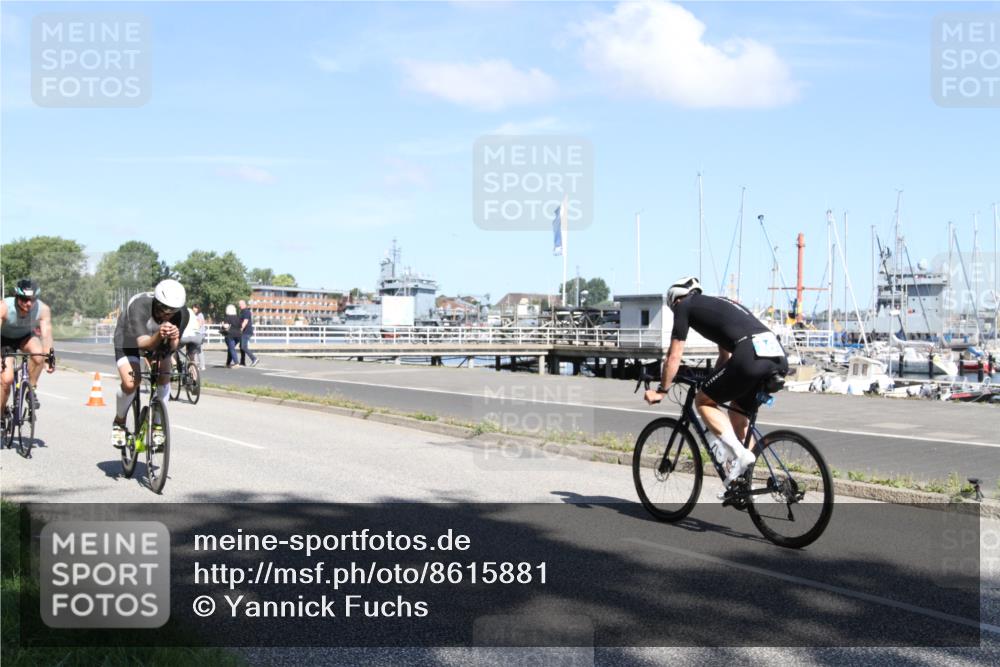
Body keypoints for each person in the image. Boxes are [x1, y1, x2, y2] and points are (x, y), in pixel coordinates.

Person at [644, 277, 788, 488]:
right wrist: (711, 379)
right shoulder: (718, 304)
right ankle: (752, 481)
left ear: (675, 299)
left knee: (703, 401)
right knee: (737, 414)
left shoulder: (684, 306)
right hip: (776, 354)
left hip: (750, 355)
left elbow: (674, 356)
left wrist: (662, 390)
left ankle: (740, 455)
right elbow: (725, 358)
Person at [110, 279, 189, 449]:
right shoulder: (139, 305)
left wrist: (174, 338)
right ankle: (119, 421)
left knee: (164, 375)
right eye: (162, 308)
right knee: (132, 382)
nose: (166, 315)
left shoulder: (183, 314)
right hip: (129, 340)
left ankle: (158, 425)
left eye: (172, 311)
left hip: (158, 338)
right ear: (156, 301)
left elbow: (173, 348)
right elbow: (143, 344)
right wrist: (160, 334)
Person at [1, 279, 55, 414]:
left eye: (32, 299)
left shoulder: (43, 309)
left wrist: (50, 358)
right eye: (24, 299)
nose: (29, 303)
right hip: (4, 340)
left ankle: (30, 389)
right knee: (6, 380)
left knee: (39, 355)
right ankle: (1, 415)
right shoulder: (4, 307)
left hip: (25, 337)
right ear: (17, 297)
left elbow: (47, 336)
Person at [237, 299, 259, 367]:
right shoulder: (242, 312)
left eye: (239, 304)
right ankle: (242, 362)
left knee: (243, 346)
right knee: (241, 346)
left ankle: (254, 359)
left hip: (246, 332)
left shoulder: (246, 311)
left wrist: (241, 329)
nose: (239, 306)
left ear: (243, 304)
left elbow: (245, 321)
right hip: (243, 332)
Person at [193, 305, 207, 370]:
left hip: (199, 334)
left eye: (195, 308)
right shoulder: (194, 315)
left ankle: (201, 365)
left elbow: (200, 324)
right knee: (195, 350)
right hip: (196, 333)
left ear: (198, 309)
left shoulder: (200, 315)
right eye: (193, 308)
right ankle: (197, 365)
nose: (194, 309)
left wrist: (195, 328)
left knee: (198, 349)